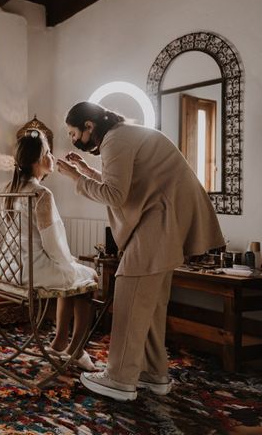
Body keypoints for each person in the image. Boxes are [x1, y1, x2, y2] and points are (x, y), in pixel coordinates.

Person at [56, 101, 224, 401]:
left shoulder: (115, 140)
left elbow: (115, 195)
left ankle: (119, 377)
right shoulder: (123, 135)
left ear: (89, 127)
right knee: (150, 304)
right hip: (167, 217)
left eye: (73, 133)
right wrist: (83, 169)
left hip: (159, 218)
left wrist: (75, 178)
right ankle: (153, 373)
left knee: (130, 293)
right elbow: (125, 183)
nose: (73, 140)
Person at [5, 129, 99, 371]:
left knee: (71, 274)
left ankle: (59, 343)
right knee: (91, 277)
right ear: (37, 160)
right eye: (47, 152)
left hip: (13, 268)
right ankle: (76, 349)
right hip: (34, 270)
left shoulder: (12, 189)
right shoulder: (41, 193)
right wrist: (69, 261)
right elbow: (52, 243)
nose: (52, 157)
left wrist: (68, 262)